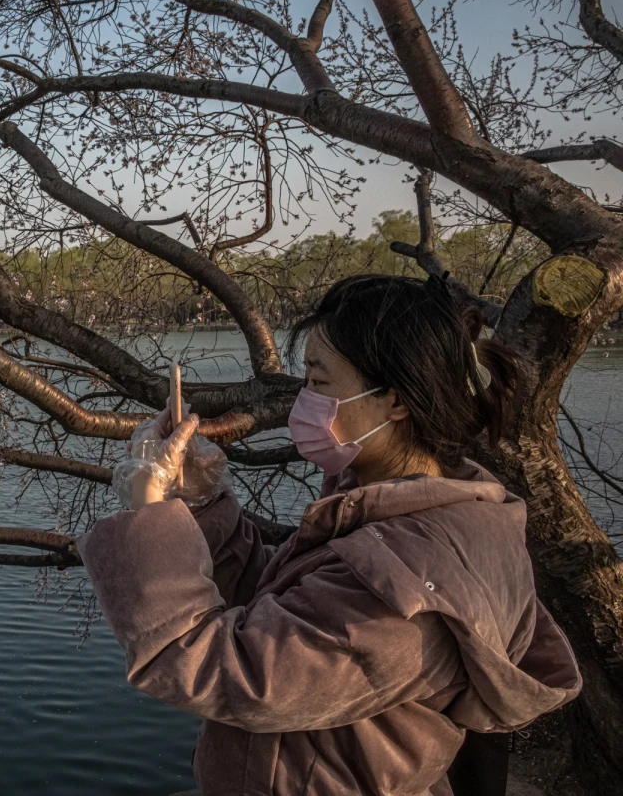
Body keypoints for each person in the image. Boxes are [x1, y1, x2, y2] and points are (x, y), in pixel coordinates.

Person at [77, 274, 582, 796]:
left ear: (396, 401)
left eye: (319, 383)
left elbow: (226, 670)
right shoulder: (408, 513)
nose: (304, 400)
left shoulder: (410, 584)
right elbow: (285, 614)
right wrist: (203, 506)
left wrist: (146, 509)